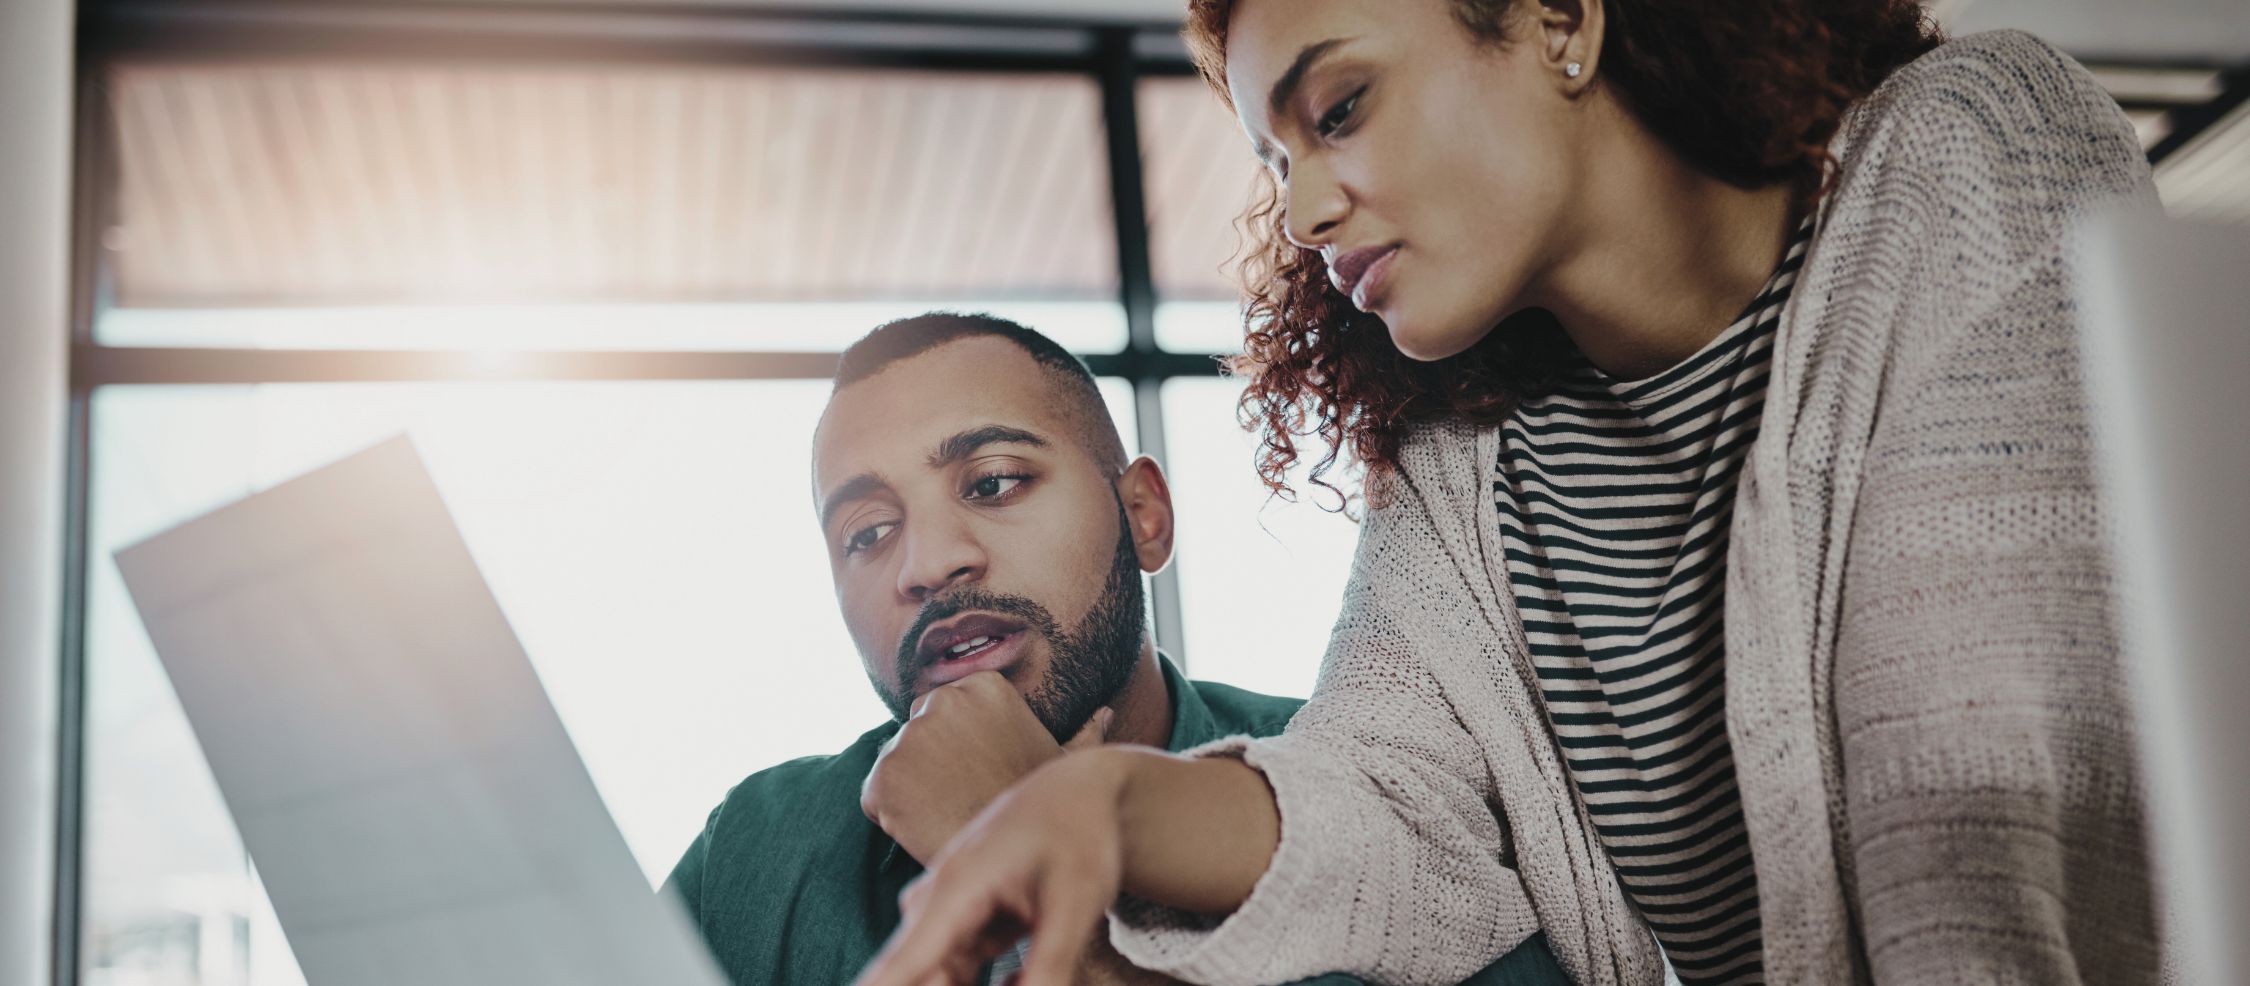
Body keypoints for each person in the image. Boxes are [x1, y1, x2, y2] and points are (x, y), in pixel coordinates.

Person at [850, 2, 2165, 986]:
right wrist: (1100, 801)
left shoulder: (1962, 156)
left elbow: (1972, 827)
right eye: (1271, 160)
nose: (1302, 206)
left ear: (1557, 18)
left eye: (1340, 109)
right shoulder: (1461, 459)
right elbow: (1378, 801)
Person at [661, 313, 1570, 986]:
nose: (928, 563)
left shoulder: (1385, 805)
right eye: (866, 533)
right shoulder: (757, 851)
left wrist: (1027, 831)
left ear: (1145, 515)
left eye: (994, 482)